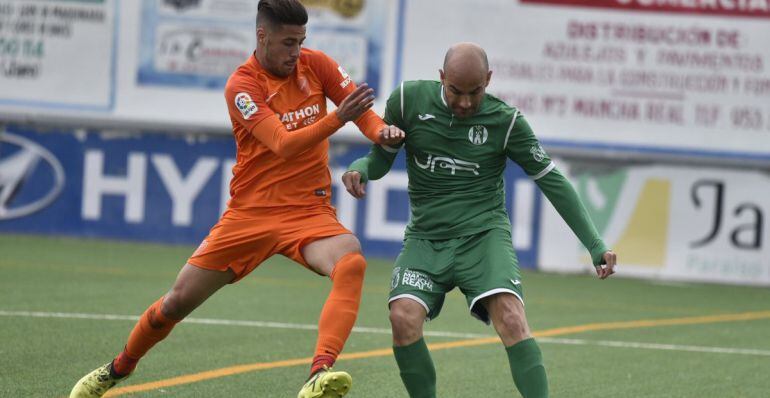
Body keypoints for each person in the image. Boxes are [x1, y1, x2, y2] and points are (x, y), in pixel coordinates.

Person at [69, 1, 404, 397]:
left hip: (307, 211)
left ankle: (319, 374)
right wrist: (336, 119)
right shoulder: (242, 85)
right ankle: (116, 369)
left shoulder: (317, 65)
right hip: (251, 215)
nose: (295, 52)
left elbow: (363, 113)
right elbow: (282, 144)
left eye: (300, 42)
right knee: (175, 304)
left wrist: (381, 132)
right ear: (262, 36)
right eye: (287, 43)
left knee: (351, 259)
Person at [342, 42, 617, 398]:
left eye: (476, 91)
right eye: (456, 91)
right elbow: (379, 159)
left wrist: (596, 244)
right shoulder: (408, 102)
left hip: (483, 236)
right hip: (426, 238)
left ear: (488, 80)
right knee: (403, 318)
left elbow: (552, 180)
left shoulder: (506, 122)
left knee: (512, 319)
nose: (466, 103)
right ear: (441, 78)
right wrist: (359, 169)